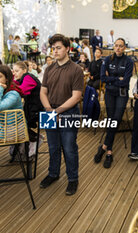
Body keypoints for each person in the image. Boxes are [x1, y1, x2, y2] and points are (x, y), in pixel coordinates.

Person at [39, 33, 84, 195]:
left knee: (69, 147)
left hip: (69, 112)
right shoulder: (49, 69)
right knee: (53, 146)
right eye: (53, 48)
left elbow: (76, 96)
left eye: (58, 48)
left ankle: (72, 179)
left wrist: (57, 111)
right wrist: (50, 111)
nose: (55, 51)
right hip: (49, 110)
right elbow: (43, 92)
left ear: (67, 49)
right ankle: (53, 173)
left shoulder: (76, 69)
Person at [93, 38, 133, 168]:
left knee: (115, 119)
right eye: (116, 46)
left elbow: (125, 82)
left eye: (121, 46)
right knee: (111, 119)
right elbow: (103, 78)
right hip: (110, 93)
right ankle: (109, 152)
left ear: (124, 48)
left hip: (122, 93)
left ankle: (104, 146)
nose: (118, 48)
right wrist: (116, 78)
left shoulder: (129, 61)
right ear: (113, 47)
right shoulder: (107, 60)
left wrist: (112, 80)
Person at [12, 61, 44, 144]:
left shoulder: (28, 77)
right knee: (16, 117)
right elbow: (15, 85)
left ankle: (33, 138)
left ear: (24, 70)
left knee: (15, 119)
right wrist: (12, 78)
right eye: (13, 71)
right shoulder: (23, 78)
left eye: (17, 71)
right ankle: (30, 138)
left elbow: (21, 91)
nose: (15, 73)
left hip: (38, 109)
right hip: (33, 107)